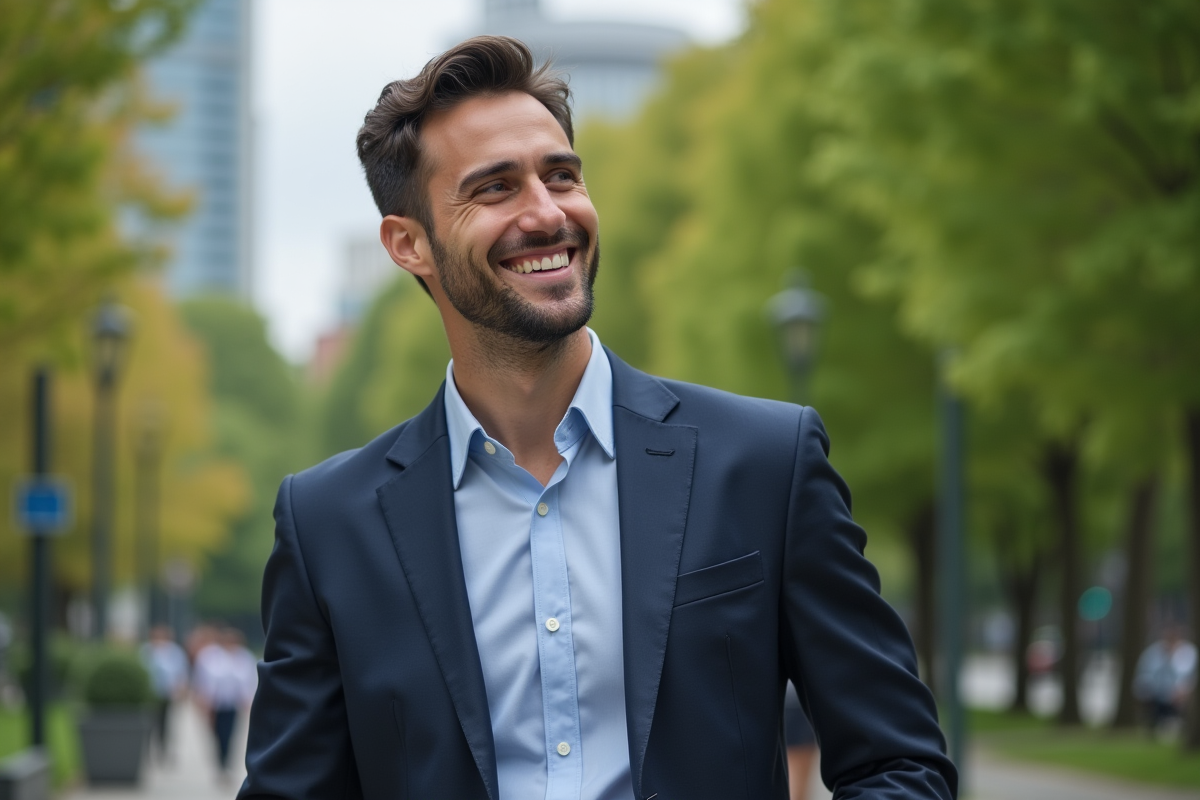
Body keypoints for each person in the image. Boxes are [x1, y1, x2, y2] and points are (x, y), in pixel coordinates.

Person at [240, 35, 956, 800]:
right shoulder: (328, 526)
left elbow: (900, 765)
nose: (548, 214)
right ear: (409, 243)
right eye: (495, 188)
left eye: (562, 176)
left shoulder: (765, 465)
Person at [194, 626, 257, 786]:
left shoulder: (244, 658)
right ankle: (220, 763)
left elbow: (248, 681)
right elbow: (203, 679)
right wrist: (203, 700)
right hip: (215, 704)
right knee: (217, 734)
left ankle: (226, 764)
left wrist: (248, 701)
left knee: (229, 734)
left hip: (232, 704)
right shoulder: (210, 657)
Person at [1134, 625, 1197, 735]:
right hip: (1157, 696)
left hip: (1180, 697)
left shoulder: (1189, 653)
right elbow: (1144, 677)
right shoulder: (1152, 654)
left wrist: (1184, 690)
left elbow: (1190, 676)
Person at [139, 625, 189, 763]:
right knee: (150, 722)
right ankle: (147, 752)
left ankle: (163, 751)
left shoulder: (174, 652)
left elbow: (181, 672)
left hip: (167, 693)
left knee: (165, 724)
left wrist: (182, 689)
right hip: (150, 694)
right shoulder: (146, 650)